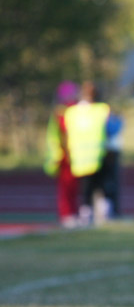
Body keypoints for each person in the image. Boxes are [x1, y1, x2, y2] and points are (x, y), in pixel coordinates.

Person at [64, 81, 111, 226]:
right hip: (98, 154)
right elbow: (113, 127)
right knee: (101, 185)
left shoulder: (71, 112)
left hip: (79, 157)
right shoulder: (102, 109)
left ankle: (86, 214)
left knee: (86, 187)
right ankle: (103, 214)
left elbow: (66, 133)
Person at [44, 81, 80, 228]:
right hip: (66, 157)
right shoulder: (64, 114)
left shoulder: (64, 113)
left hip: (70, 156)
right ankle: (68, 215)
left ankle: (69, 214)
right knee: (68, 189)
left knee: (69, 189)